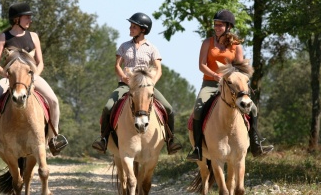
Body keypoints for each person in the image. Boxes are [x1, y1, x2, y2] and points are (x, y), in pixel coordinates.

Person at [186, 9, 273, 162]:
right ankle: (198, 148)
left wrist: (232, 79)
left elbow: (240, 69)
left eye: (220, 25)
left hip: (232, 85)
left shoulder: (236, 46)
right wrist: (215, 75)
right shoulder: (208, 42)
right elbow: (201, 65)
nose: (216, 27)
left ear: (228, 27)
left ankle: (255, 143)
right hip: (210, 84)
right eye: (215, 24)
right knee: (199, 109)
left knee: (252, 108)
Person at [0, 2, 68, 160]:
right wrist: (8, 75)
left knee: (54, 101)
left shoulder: (34, 36)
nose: (30, 19)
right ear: (16, 19)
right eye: (27, 17)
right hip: (9, 78)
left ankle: (53, 138)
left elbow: (40, 62)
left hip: (32, 77)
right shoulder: (4, 36)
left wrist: (35, 74)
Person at [92, 12, 182, 155]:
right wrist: (123, 76)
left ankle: (171, 141)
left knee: (168, 108)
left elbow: (159, 70)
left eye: (134, 27)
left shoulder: (152, 48)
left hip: (145, 88)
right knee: (108, 107)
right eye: (131, 26)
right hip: (125, 86)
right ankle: (103, 140)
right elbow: (117, 65)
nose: (130, 28)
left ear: (143, 30)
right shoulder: (124, 46)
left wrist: (151, 83)